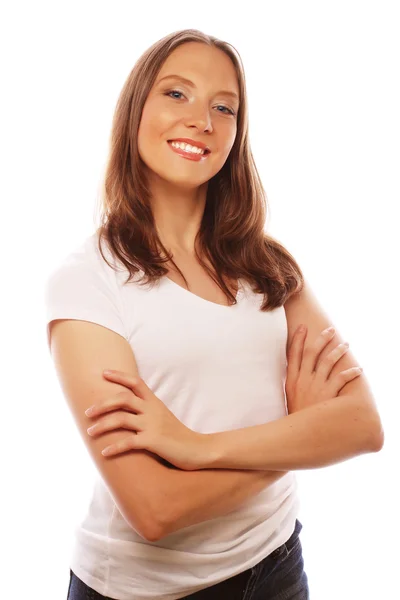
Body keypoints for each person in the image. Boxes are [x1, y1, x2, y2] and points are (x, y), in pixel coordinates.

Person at [44, 29, 383, 600]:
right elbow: (154, 508)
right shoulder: (86, 282)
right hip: (144, 590)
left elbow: (363, 427)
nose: (201, 119)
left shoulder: (267, 265)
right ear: (134, 111)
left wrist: (194, 447)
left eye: (224, 107)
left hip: (276, 562)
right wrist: (297, 437)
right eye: (176, 94)